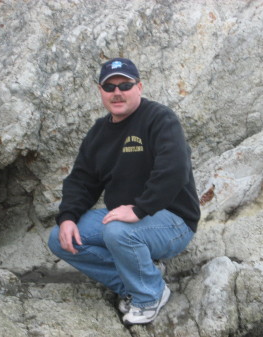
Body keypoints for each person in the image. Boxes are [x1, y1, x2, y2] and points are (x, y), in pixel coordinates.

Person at [48, 57, 200, 325]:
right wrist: (68, 216)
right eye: (110, 87)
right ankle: (139, 280)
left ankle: (150, 295)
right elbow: (81, 181)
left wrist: (140, 208)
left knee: (118, 231)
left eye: (125, 84)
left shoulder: (160, 119)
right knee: (60, 238)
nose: (117, 92)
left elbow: (174, 169)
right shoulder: (98, 132)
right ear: (101, 91)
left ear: (139, 87)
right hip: (126, 219)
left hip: (173, 220)